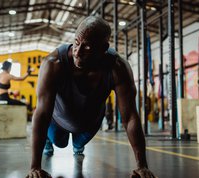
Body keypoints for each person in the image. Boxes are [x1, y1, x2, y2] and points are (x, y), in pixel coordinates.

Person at [26, 16, 156, 178]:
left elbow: (130, 116)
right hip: (57, 120)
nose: (78, 52)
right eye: (76, 42)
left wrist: (142, 166)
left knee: (78, 145)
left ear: (104, 48)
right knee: (60, 142)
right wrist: (35, 167)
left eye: (87, 47)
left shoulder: (117, 68)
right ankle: (48, 141)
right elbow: (42, 113)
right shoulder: (53, 63)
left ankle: (78, 146)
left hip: (89, 123)